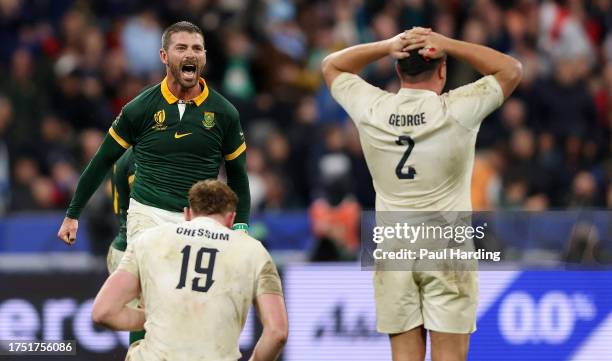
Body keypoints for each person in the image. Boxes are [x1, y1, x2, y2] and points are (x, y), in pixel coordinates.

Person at [321, 27, 522, 361]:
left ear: (398, 68)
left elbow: (332, 66)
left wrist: (387, 45)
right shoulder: (457, 109)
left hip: (393, 248)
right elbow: (511, 69)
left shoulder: (372, 108)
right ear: (442, 70)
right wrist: (447, 44)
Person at [57, 21, 251, 248]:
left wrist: (241, 226)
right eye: (181, 48)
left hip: (200, 219)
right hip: (148, 215)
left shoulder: (224, 112)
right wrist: (73, 214)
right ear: (164, 56)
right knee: (152, 277)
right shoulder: (140, 108)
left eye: (196, 49)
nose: (190, 54)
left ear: (205, 57)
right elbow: (103, 160)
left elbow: (238, 176)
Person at [92, 180, 287, 361]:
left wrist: (159, 317)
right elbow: (277, 332)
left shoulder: (149, 240)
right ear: (231, 219)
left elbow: (103, 311)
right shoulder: (254, 251)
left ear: (187, 214)